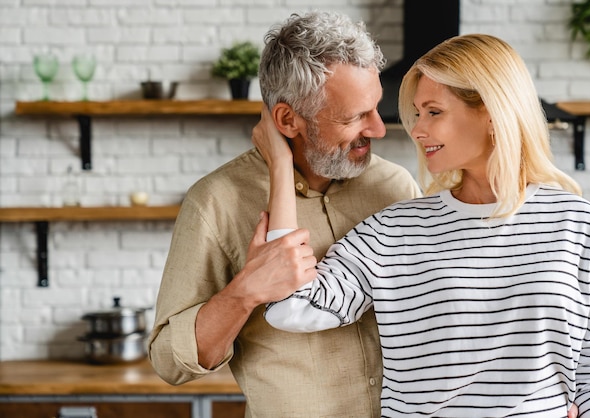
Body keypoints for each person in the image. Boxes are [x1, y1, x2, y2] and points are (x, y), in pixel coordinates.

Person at [252, 33, 590, 417]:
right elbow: (290, 307)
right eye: (417, 112)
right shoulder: (394, 230)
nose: (417, 129)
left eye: (434, 112)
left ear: (492, 113)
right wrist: (280, 163)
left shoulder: (580, 225)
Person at [147, 11, 421, 418]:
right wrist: (245, 292)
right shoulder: (217, 202)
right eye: (353, 117)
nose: (379, 129)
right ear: (288, 120)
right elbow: (170, 361)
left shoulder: (395, 188)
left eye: (376, 108)